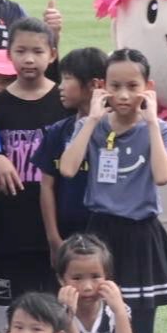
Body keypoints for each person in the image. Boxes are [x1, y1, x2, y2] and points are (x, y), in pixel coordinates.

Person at [57, 48, 167, 333]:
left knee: (138, 329)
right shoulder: (89, 126)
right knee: (93, 319)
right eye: (115, 86)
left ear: (148, 87)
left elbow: (161, 176)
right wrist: (93, 120)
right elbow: (67, 169)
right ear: (101, 87)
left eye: (133, 86)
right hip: (100, 236)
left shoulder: (163, 129)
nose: (124, 95)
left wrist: (154, 122)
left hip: (142, 235)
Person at [0, 17, 67, 314]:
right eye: (20, 51)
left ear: (52, 55)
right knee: (15, 309)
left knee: (59, 308)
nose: (29, 59)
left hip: (57, 223)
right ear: (10, 55)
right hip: (11, 226)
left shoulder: (63, 102)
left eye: (37, 51)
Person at [36, 46, 108, 259]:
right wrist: (53, 238)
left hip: (108, 237)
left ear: (95, 84)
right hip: (68, 239)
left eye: (67, 79)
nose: (60, 86)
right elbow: (47, 185)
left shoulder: (116, 131)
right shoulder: (59, 131)